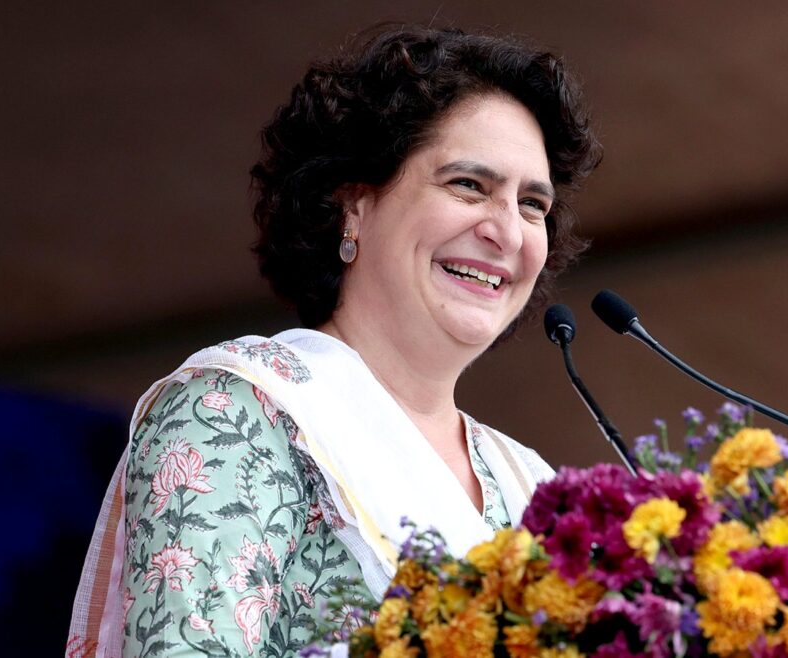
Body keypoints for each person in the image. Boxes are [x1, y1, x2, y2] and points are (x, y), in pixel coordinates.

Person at [68, 24, 601, 658]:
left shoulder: (535, 490)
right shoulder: (238, 413)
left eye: (533, 204)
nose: (508, 232)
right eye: (469, 185)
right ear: (353, 204)